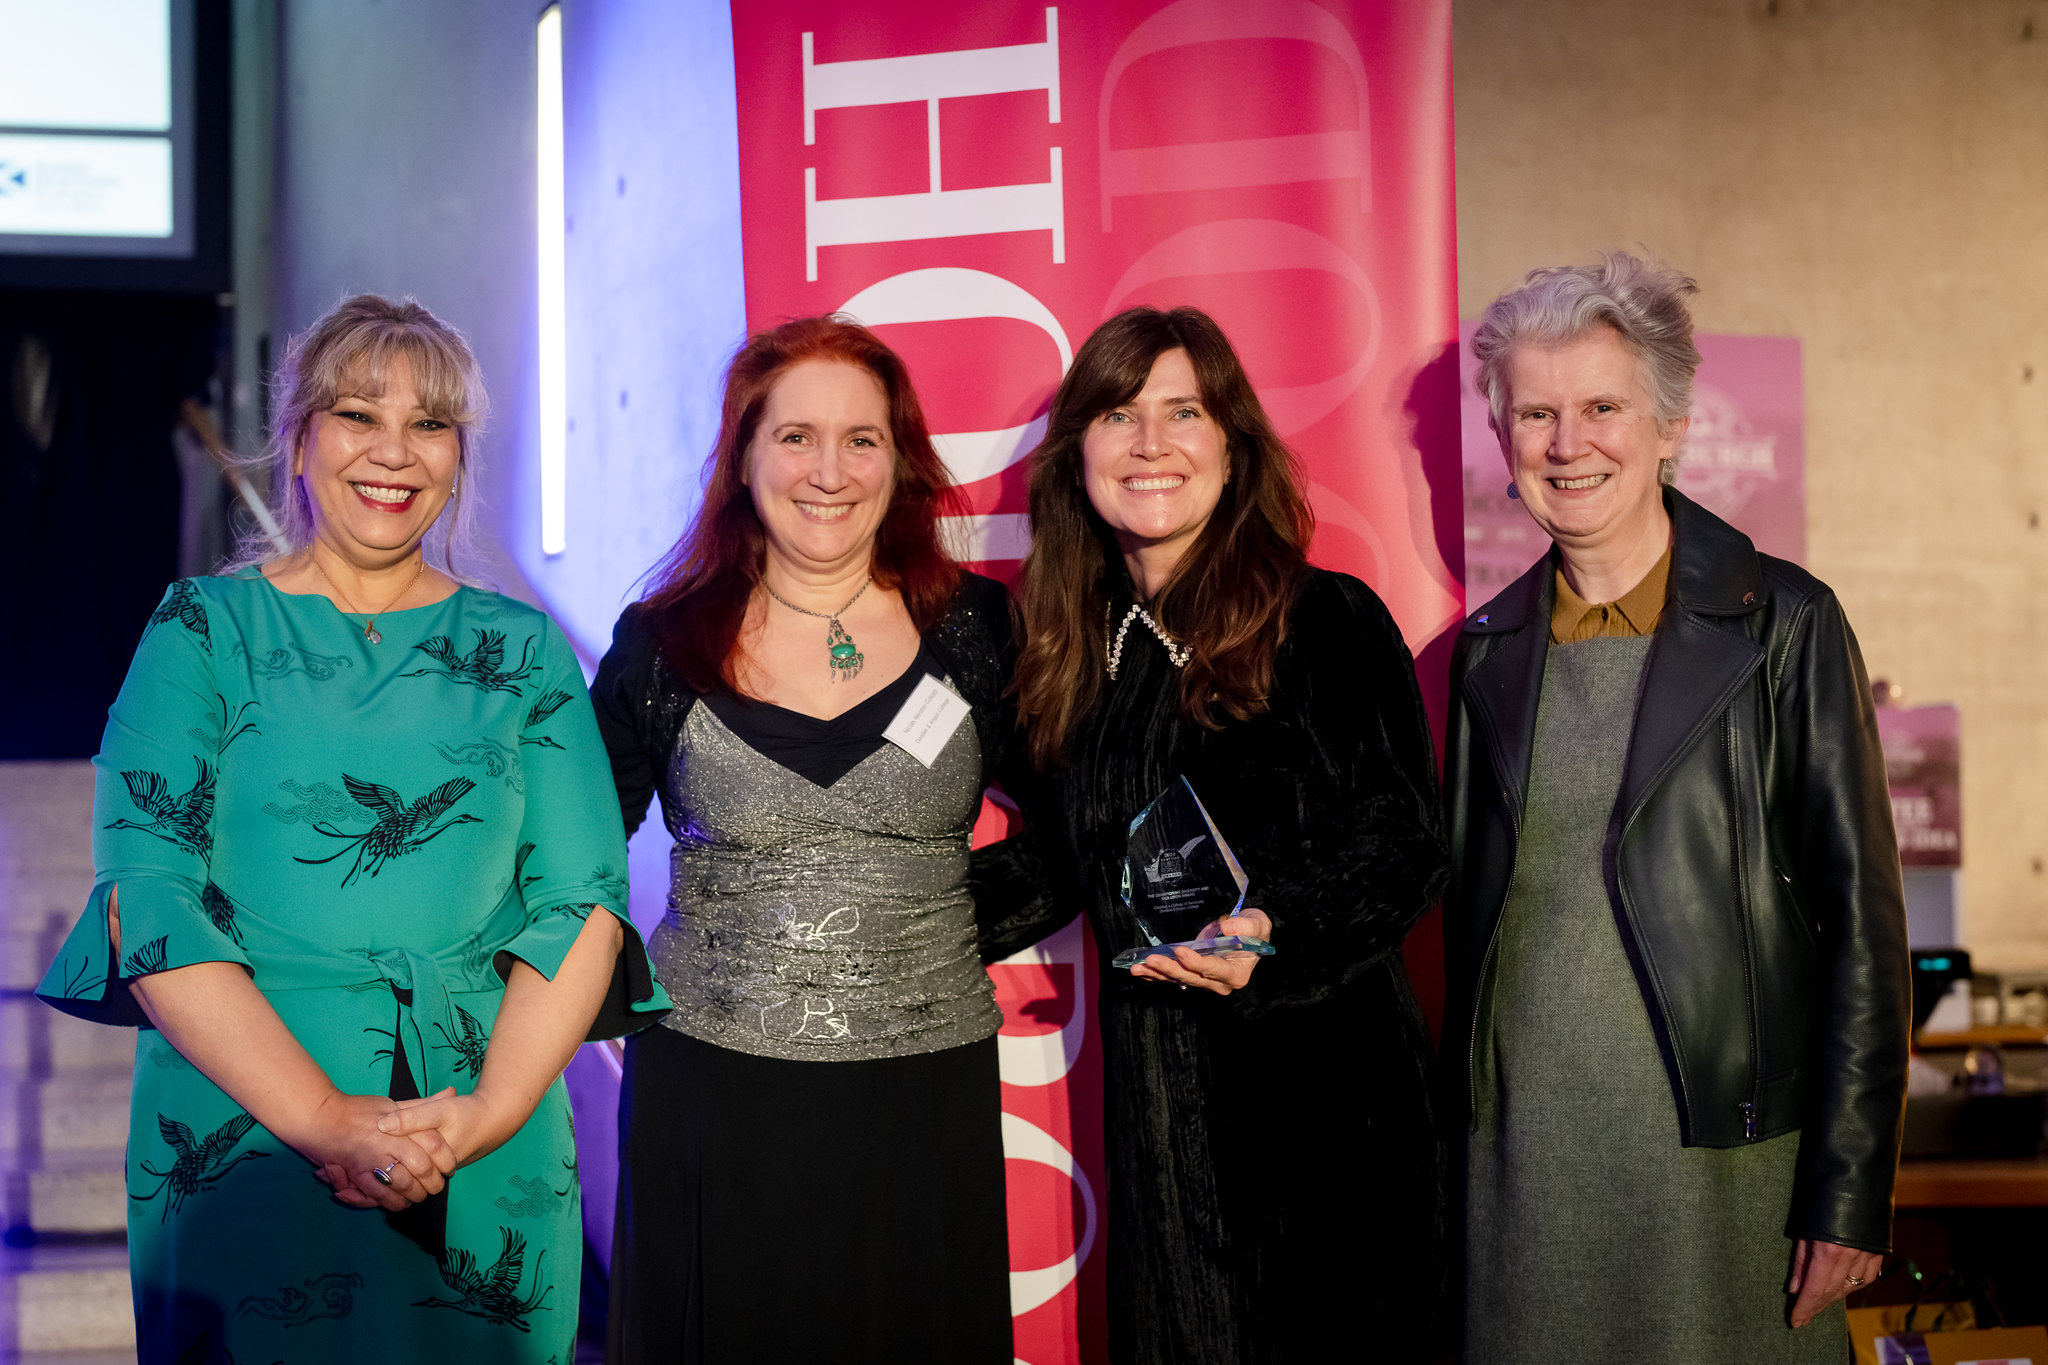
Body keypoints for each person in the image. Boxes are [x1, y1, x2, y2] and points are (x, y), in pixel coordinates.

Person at [35, 294, 669, 1365]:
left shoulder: (522, 653)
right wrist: (327, 1118)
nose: (395, 453)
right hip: (245, 1136)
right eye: (358, 415)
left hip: (482, 1140)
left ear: (460, 457)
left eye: (430, 423)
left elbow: (582, 902)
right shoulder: (202, 630)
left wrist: (479, 1119)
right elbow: (147, 895)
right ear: (297, 438)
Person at [1447, 253, 1910, 1361]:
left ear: (1668, 428)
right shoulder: (1480, 656)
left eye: (1601, 407)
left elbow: (1861, 927)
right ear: (1503, 441)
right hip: (1522, 1176)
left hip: (1726, 1168)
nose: (1568, 444)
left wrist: (1847, 1193)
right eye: (1534, 414)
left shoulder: (1782, 626)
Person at [999, 305, 1452, 1363]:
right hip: (1161, 1118)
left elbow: (1404, 839)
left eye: (1183, 412)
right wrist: (875, 918)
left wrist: (1267, 933)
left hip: (1322, 1112)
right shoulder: (1075, 658)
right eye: (1117, 415)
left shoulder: (1319, 618)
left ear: (1231, 445)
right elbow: (1069, 863)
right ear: (1077, 459)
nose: (1149, 443)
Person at [594, 315, 1025, 1364]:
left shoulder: (976, 628)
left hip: (919, 1098)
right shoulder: (663, 641)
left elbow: (1074, 828)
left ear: (900, 459)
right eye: (793, 437)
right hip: (713, 1095)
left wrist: (919, 941)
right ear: (742, 457)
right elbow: (578, 853)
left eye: (861, 438)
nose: (827, 470)